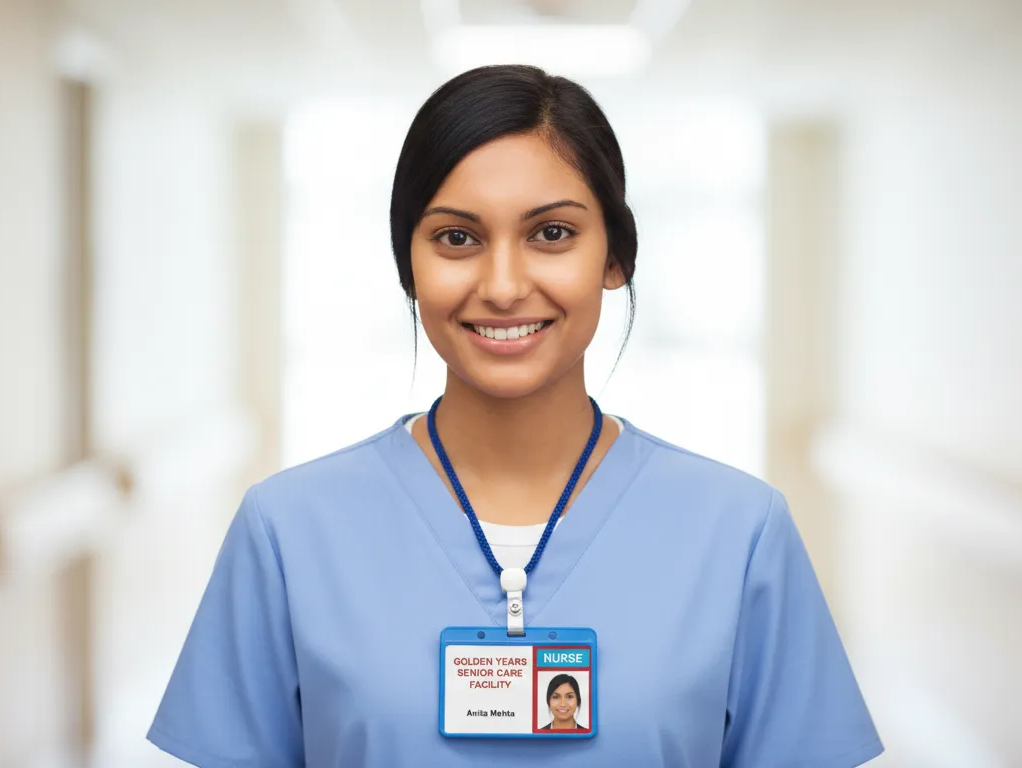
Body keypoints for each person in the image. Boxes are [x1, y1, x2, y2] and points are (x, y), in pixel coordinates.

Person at [148, 64, 883, 767]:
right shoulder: (289, 531)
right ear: (410, 266)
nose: (503, 286)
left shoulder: (739, 533)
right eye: (457, 238)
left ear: (615, 258)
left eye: (552, 234)